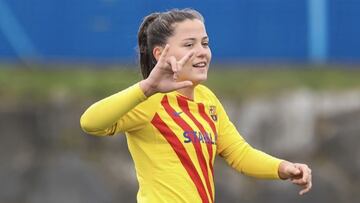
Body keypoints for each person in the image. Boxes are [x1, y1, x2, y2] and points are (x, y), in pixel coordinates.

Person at [80, 8, 312, 203]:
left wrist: (284, 168)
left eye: (205, 43)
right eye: (189, 44)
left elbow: (239, 154)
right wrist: (148, 86)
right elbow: (90, 123)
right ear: (160, 53)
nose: (201, 52)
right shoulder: (148, 101)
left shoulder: (206, 99)